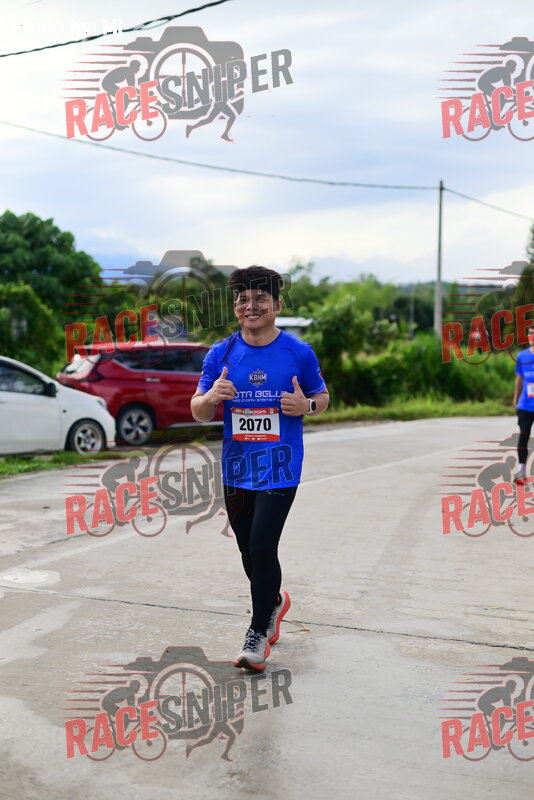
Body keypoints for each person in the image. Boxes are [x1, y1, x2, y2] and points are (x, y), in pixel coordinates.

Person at [190, 266, 329, 670]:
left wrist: (307, 406)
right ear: (236, 307)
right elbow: (197, 411)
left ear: (277, 305)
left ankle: (257, 635)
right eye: (243, 300)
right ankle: (274, 602)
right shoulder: (221, 354)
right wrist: (211, 397)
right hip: (237, 468)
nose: (250, 306)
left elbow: (322, 397)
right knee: (247, 550)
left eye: (260, 299)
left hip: (281, 466)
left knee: (262, 547)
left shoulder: (298, 352)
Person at [513, 325, 534, 482]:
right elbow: (519, 379)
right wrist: (516, 399)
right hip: (525, 405)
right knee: (523, 437)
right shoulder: (522, 356)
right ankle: (522, 470)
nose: (532, 336)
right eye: (530, 333)